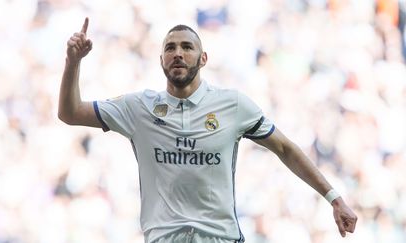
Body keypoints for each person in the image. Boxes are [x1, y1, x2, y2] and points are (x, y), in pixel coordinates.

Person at [58, 17, 358, 243]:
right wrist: (73, 63)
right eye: (170, 48)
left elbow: (285, 148)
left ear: (203, 59)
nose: (178, 53)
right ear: (161, 60)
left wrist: (334, 198)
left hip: (221, 238)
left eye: (187, 47)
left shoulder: (233, 105)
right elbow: (70, 113)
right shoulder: (138, 107)